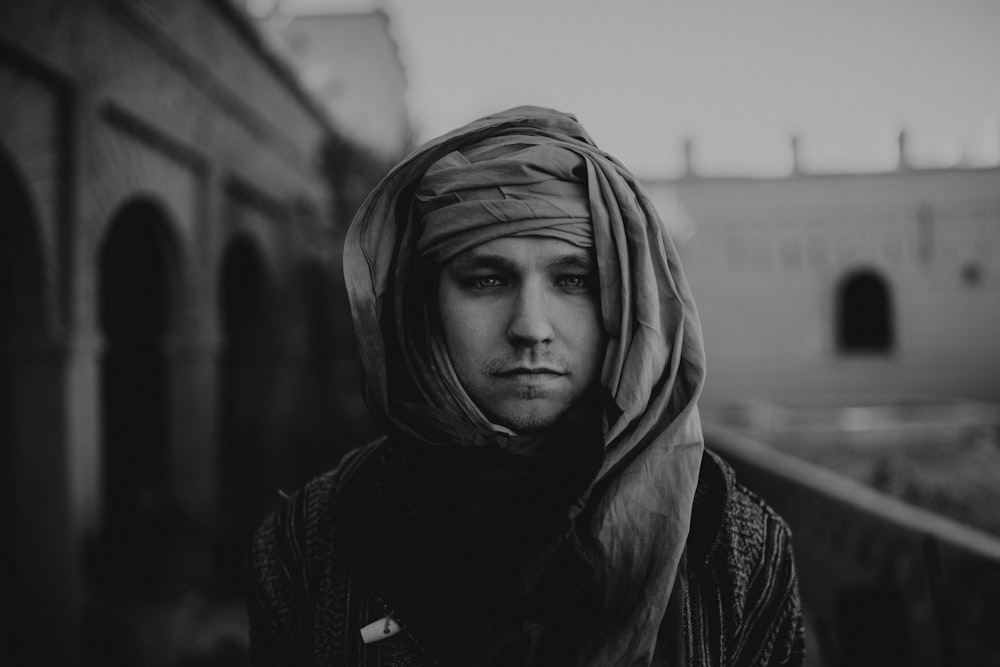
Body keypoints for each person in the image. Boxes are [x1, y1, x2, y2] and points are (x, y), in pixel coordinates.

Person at [247, 106, 805, 666]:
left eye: (573, 281)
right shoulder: (309, 545)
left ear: (625, 304)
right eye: (486, 280)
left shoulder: (738, 550)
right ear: (425, 307)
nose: (531, 328)